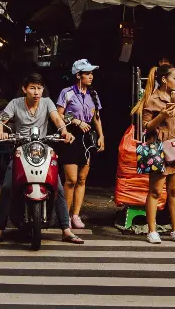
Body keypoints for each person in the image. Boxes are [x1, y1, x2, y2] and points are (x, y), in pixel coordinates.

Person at [0, 73, 84, 245]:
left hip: (43, 148)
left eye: (39, 88)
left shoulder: (46, 102)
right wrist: (0, 130)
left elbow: (57, 119)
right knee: (7, 187)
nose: (36, 92)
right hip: (20, 149)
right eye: (32, 88)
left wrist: (64, 131)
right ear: (24, 89)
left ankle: (66, 230)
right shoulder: (15, 103)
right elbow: (0, 121)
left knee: (58, 187)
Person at [135, 64, 175, 244]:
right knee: (156, 190)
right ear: (164, 79)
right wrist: (161, 115)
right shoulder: (152, 99)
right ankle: (152, 230)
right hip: (158, 147)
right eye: (174, 78)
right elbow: (145, 127)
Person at [56, 59, 105, 229]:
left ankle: (75, 215)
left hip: (87, 138)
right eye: (87, 73)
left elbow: (95, 117)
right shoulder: (67, 93)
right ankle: (64, 216)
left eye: (91, 73)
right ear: (78, 75)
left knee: (82, 179)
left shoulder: (93, 94)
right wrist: (76, 121)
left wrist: (101, 136)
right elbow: (58, 115)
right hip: (70, 136)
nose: (91, 76)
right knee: (71, 179)